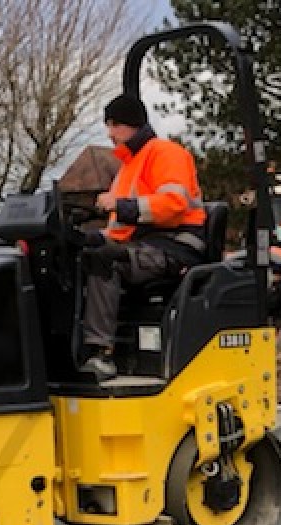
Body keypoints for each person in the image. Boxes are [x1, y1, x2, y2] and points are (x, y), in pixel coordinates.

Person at [78, 93, 208, 381]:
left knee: (106, 260)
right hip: (143, 246)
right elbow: (120, 229)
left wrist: (120, 206)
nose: (110, 133)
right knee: (81, 254)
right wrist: (92, 237)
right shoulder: (128, 165)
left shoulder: (166, 154)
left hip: (174, 248)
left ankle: (100, 353)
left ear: (133, 124)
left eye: (115, 125)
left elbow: (174, 204)